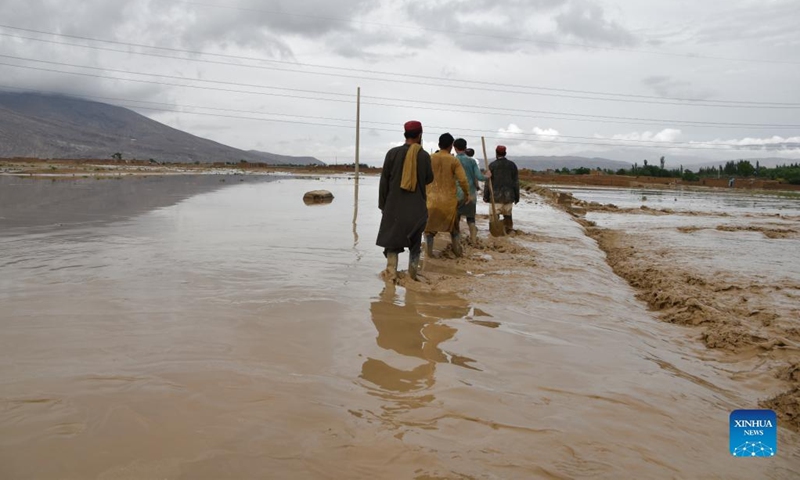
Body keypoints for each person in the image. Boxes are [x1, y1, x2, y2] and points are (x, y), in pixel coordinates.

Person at [377, 120, 434, 281]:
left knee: (392, 244)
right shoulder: (423, 156)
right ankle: (412, 276)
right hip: (416, 209)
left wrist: (383, 205)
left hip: (393, 207)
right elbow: (429, 178)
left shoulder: (392, 153)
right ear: (420, 135)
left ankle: (391, 276)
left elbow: (384, 182)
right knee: (415, 245)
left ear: (405, 135)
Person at [424, 133, 470, 258]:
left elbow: (421, 178)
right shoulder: (453, 160)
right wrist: (467, 195)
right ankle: (458, 253)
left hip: (431, 201)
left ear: (439, 144)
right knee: (454, 230)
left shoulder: (429, 158)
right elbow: (463, 180)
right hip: (449, 203)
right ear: (451, 146)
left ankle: (429, 255)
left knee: (429, 231)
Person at [453, 139, 489, 244]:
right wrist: (487, 176)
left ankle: (456, 242)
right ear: (465, 147)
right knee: (471, 218)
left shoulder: (453, 160)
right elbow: (479, 177)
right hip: (470, 194)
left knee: (456, 219)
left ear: (454, 148)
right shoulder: (472, 161)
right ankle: (473, 238)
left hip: (456, 195)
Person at [483, 145, 519, 234]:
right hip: (509, 197)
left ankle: (495, 233)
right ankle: (509, 231)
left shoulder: (492, 165)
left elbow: (488, 182)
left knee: (494, 218)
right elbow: (516, 182)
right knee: (508, 216)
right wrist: (517, 197)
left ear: (496, 153)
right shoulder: (512, 165)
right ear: (505, 153)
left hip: (495, 197)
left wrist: (485, 196)